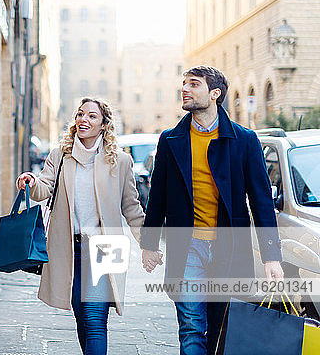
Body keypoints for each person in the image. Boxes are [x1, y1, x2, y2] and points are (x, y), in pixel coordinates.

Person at [140, 66, 284, 355]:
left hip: (229, 248)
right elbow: (158, 195)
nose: (185, 89)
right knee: (192, 325)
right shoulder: (171, 139)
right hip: (187, 247)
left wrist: (272, 256)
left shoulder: (244, 140)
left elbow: (261, 201)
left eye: (194, 84)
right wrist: (149, 245)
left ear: (214, 94)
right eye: (184, 83)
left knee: (221, 327)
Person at [17, 97, 144, 355]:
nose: (84, 119)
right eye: (80, 114)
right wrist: (30, 182)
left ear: (103, 124)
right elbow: (43, 188)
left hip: (105, 248)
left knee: (96, 320)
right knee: (81, 317)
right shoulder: (60, 156)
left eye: (92, 116)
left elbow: (131, 207)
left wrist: (149, 245)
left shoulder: (119, 161)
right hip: (69, 248)